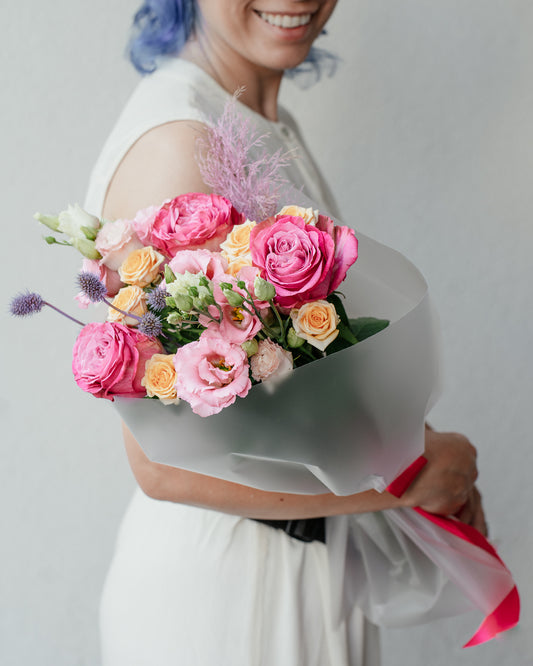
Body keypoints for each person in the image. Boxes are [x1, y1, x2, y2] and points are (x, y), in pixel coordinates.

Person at [84, 2, 486, 664]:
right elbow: (157, 461)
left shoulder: (254, 117)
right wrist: (404, 477)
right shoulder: (177, 140)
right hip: (226, 596)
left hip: (304, 567)